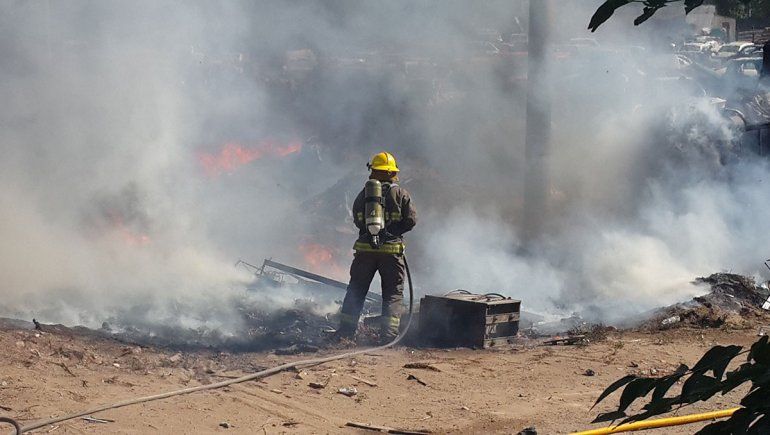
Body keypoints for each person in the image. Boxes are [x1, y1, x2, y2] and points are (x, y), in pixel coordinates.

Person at [334, 152, 417, 342]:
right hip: (391, 252)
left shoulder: (365, 193)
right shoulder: (401, 193)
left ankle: (345, 333)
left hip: (365, 251)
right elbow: (411, 220)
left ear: (373, 171)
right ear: (392, 172)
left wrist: (370, 233)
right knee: (392, 294)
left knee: (356, 290)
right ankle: (388, 337)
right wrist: (393, 233)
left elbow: (357, 218)